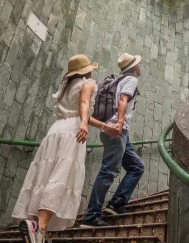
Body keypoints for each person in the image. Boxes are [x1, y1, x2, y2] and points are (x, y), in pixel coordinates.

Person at [13, 54, 119, 243]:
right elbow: (84, 106)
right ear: (87, 70)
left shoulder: (67, 87)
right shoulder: (88, 83)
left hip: (56, 130)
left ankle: (40, 233)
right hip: (72, 133)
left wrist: (103, 126)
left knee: (47, 175)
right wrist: (84, 125)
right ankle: (40, 225)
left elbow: (80, 112)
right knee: (62, 176)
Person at [81, 53, 145, 228]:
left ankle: (116, 204)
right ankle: (91, 216)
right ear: (133, 67)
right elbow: (123, 100)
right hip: (117, 132)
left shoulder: (120, 79)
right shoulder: (131, 80)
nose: (141, 66)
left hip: (118, 133)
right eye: (138, 64)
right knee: (108, 171)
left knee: (136, 167)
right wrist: (119, 123)